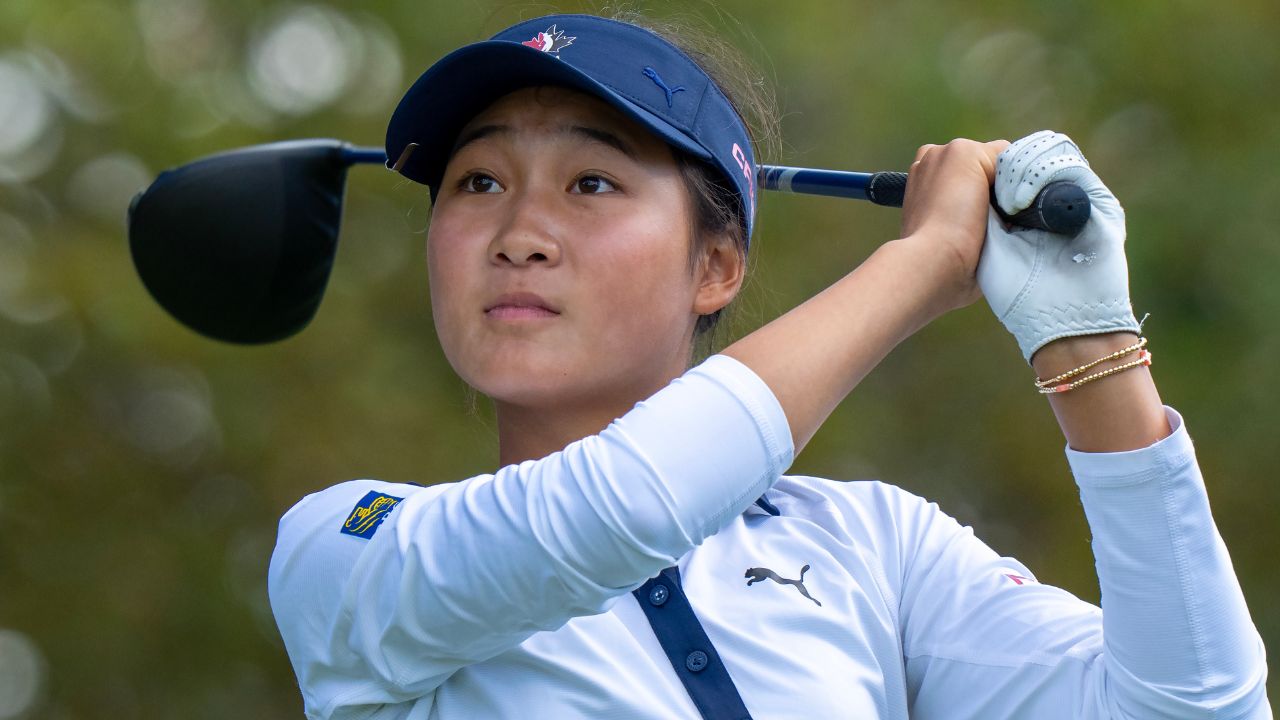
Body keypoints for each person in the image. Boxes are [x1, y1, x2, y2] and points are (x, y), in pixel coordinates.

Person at [267, 12, 1269, 719]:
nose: (519, 232)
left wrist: (1087, 337)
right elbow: (617, 506)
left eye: (591, 181)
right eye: (478, 180)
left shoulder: (873, 546)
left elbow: (1195, 711)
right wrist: (921, 263)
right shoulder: (348, 552)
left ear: (714, 266)